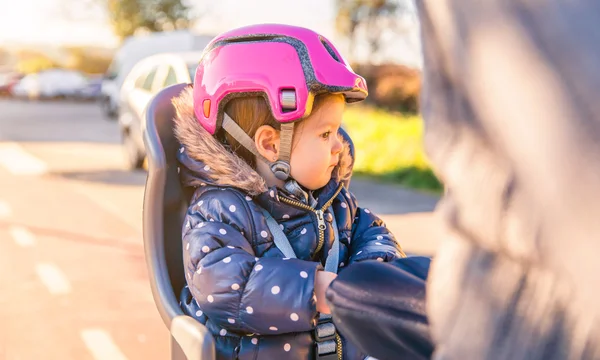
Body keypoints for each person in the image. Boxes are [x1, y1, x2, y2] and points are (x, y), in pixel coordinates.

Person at [172, 24, 405, 360]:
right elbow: (223, 286)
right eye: (325, 134)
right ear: (270, 144)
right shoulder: (218, 210)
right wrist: (316, 290)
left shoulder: (330, 199)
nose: (340, 145)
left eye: (339, 130)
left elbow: (374, 234)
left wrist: (372, 274)